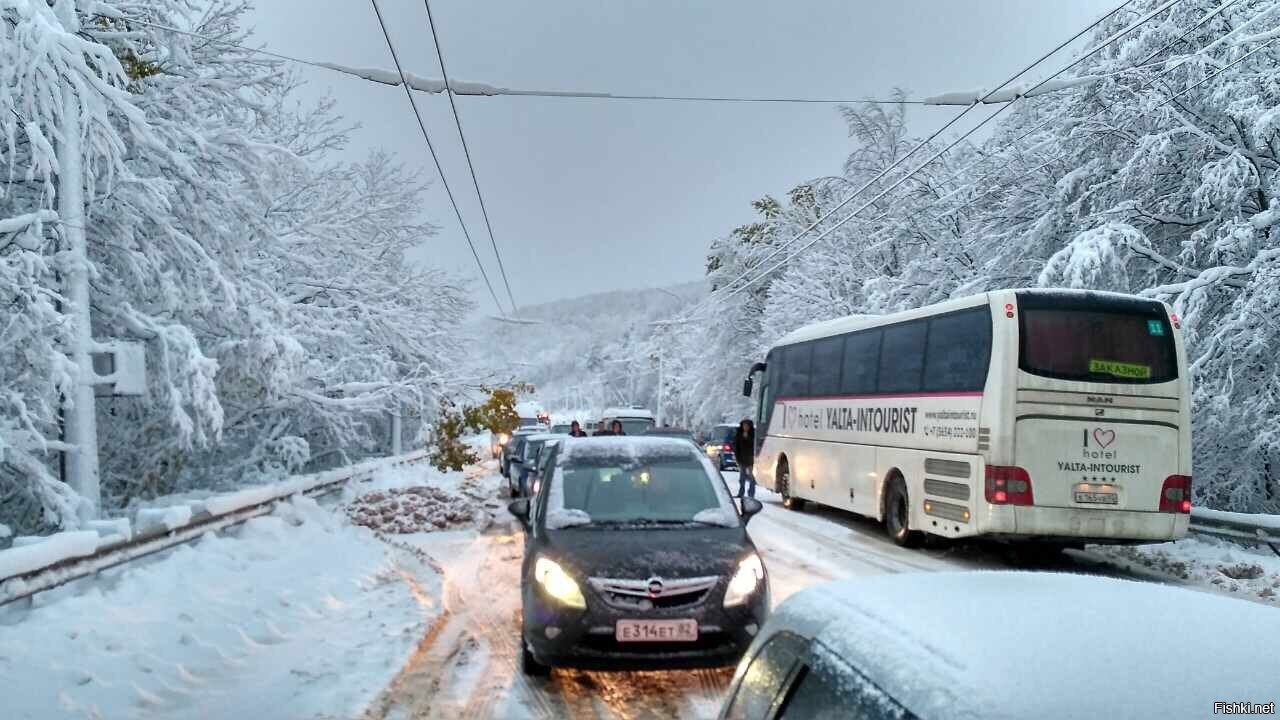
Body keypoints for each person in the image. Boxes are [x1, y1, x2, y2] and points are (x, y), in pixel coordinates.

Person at [733, 418, 756, 498]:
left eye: (747, 426)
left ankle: (751, 493)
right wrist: (737, 457)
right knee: (742, 478)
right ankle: (741, 492)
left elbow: (754, 445)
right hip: (742, 458)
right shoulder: (739, 434)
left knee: (751, 477)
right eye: (744, 426)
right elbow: (736, 447)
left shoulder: (753, 434)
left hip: (750, 459)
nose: (745, 427)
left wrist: (747, 438)